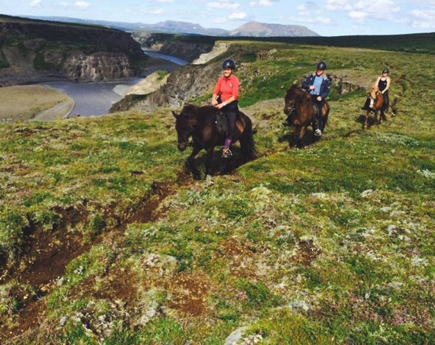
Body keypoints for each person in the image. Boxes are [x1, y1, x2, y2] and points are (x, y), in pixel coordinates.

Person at [212, 58, 240, 158]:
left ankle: (226, 148)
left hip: (230, 106)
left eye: (228, 69)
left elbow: (235, 96)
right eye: (224, 69)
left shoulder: (235, 80)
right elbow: (216, 91)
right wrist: (214, 99)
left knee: (231, 126)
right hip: (220, 103)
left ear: (232, 70)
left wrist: (223, 104)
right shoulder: (221, 79)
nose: (226, 71)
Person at [301, 60, 331, 136]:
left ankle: (318, 128)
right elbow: (303, 84)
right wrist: (309, 86)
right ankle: (290, 120)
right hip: (309, 95)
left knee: (319, 111)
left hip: (318, 97)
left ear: (323, 71)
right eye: (318, 69)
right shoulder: (311, 77)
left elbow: (327, 91)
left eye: (320, 70)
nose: (318, 71)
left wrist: (321, 97)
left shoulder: (325, 80)